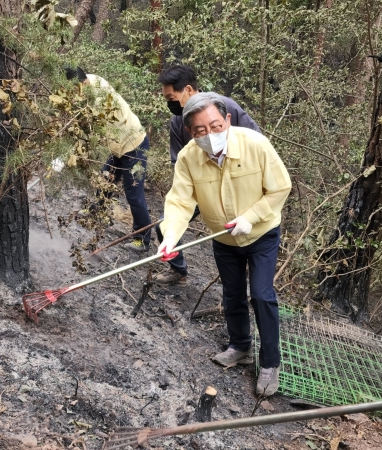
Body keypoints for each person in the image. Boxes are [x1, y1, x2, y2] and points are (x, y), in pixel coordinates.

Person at [157, 92, 291, 396]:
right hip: (223, 237)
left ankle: (270, 362)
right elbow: (179, 202)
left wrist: (251, 216)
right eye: (201, 130)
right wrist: (170, 237)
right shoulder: (189, 158)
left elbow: (280, 187)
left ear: (227, 120)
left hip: (260, 234)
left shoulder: (254, 144)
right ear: (191, 132)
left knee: (261, 294)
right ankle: (240, 346)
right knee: (232, 293)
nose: (210, 134)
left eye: (215, 126)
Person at [154, 65, 261, 285]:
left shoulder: (224, 108)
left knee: (242, 229)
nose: (169, 104)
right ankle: (178, 271)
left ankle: (253, 277)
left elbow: (257, 144)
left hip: (239, 186)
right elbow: (179, 166)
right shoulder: (177, 123)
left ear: (189, 90)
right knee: (164, 226)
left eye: (171, 97)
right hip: (202, 189)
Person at [65, 66, 152, 252]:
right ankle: (97, 211)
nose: (76, 94)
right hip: (119, 148)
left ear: (84, 82)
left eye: (77, 89)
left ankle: (142, 240)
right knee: (106, 178)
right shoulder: (90, 82)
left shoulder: (99, 95)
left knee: (134, 195)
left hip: (135, 147)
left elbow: (89, 127)